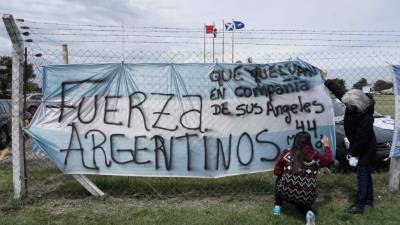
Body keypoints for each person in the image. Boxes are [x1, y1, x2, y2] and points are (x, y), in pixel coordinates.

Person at [322, 71, 376, 214]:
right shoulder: (354, 101)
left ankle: (359, 206)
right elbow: (340, 92)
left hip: (366, 146)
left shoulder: (366, 117)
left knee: (362, 173)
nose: (347, 107)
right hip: (359, 143)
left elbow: (362, 138)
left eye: (349, 106)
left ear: (357, 105)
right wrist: (326, 80)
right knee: (365, 172)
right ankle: (369, 199)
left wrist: (352, 154)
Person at [273, 132, 333, 225]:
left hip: (285, 192)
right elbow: (328, 161)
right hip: (306, 194)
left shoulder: (287, 153)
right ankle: (309, 212)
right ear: (309, 142)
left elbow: (277, 171)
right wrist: (326, 146)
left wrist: (287, 175)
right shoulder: (315, 155)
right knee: (301, 201)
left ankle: (277, 206)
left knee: (279, 180)